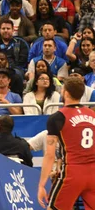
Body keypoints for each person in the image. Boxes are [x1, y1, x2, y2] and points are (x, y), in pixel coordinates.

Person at [38, 76, 95, 209]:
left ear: (66, 93)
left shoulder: (57, 117)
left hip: (72, 172)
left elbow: (50, 155)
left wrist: (41, 185)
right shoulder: (92, 114)